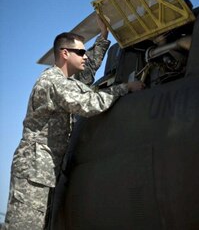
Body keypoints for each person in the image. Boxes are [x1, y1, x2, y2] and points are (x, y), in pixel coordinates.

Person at [3, 17, 144, 230]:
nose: (85, 56)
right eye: (80, 52)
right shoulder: (53, 82)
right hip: (34, 172)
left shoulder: (64, 81)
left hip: (44, 171)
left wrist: (103, 37)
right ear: (64, 53)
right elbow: (88, 103)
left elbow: (86, 75)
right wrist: (125, 88)